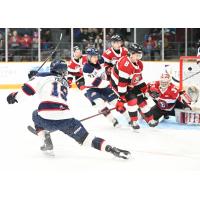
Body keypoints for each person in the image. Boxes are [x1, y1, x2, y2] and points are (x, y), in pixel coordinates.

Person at [6, 59, 130, 159]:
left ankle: (45, 141)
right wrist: (36, 76)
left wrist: (14, 96)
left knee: (35, 114)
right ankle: (111, 148)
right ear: (63, 72)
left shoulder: (41, 77)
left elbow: (25, 92)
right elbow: (53, 80)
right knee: (87, 139)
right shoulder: (65, 83)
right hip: (66, 119)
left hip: (46, 118)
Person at [111, 43, 158, 129]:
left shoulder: (138, 64)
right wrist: (121, 99)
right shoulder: (124, 64)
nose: (139, 57)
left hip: (129, 83)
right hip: (118, 85)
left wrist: (146, 90)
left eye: (140, 55)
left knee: (142, 101)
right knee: (132, 100)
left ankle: (150, 120)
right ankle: (134, 121)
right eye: (137, 55)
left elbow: (138, 79)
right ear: (131, 54)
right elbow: (122, 84)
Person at [83, 48, 130, 127]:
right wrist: (110, 83)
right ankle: (113, 120)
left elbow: (110, 64)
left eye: (96, 56)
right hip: (92, 88)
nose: (96, 58)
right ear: (88, 57)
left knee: (116, 102)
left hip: (104, 86)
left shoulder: (101, 61)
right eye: (93, 57)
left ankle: (129, 119)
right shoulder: (87, 68)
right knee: (100, 102)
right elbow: (96, 82)